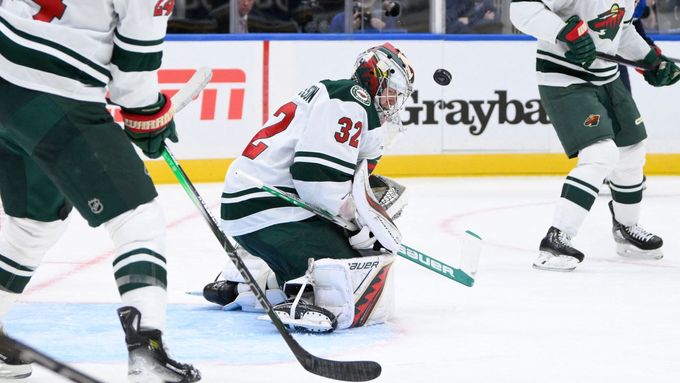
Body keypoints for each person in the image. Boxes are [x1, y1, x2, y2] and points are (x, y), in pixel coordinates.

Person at [0, 1, 200, 381]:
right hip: (51, 87)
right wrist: (149, 115)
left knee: (33, 224)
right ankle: (147, 348)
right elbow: (132, 81)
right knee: (138, 216)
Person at [206, 42, 414, 333]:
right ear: (375, 74)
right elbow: (314, 178)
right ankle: (298, 293)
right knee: (352, 269)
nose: (393, 99)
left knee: (341, 246)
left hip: (249, 206)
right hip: (271, 210)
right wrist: (357, 223)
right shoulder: (352, 100)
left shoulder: (334, 92)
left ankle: (242, 281)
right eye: (392, 88)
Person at [510, 0, 680, 271]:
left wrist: (650, 61)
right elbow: (521, 9)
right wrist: (563, 31)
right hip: (564, 78)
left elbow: (621, 31)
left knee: (632, 150)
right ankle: (557, 238)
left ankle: (627, 228)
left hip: (607, 78)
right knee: (601, 152)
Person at [329, 0, 402, 33]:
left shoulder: (386, 19)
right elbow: (333, 45)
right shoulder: (340, 19)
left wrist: (383, 30)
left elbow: (394, 42)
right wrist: (350, 30)